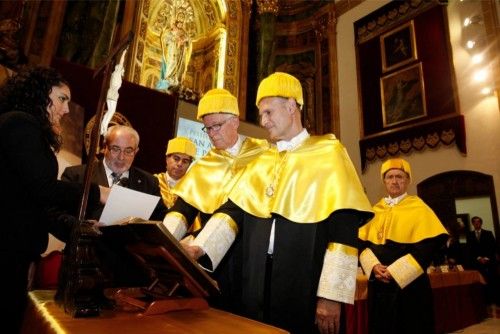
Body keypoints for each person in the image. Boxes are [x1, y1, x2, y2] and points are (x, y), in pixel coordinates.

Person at [186, 72, 374, 333]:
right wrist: (199, 248)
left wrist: (331, 295)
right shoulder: (261, 161)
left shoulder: (329, 154)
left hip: (304, 281)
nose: (263, 121)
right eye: (261, 114)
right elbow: (233, 212)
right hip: (257, 280)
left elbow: (343, 232)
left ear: (291, 106)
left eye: (268, 113)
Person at [0, 66, 108, 333]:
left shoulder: (25, 127)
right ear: (39, 93)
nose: (67, 109)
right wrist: (97, 192)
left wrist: (80, 227)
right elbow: (45, 189)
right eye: (62, 98)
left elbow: (38, 205)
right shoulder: (19, 124)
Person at [163, 88, 269, 313]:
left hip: (254, 252)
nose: (210, 134)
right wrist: (165, 241)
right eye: (207, 128)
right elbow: (184, 209)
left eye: (216, 126)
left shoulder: (264, 154)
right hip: (213, 259)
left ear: (235, 121)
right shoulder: (203, 165)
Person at [358, 158, 448, 334]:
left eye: (399, 176)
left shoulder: (419, 208)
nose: (394, 181)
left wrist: (395, 271)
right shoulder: (374, 210)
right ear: (384, 181)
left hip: (409, 286)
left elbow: (427, 247)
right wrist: (373, 267)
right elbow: (362, 245)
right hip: (379, 286)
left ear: (407, 180)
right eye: (390, 176)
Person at [61, 124, 167, 221]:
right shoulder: (77, 175)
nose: (121, 157)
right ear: (105, 148)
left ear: (136, 151)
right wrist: (85, 229)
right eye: (115, 149)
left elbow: (160, 218)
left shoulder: (149, 182)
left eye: (128, 151)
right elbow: (59, 215)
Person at [154, 136, 196, 209]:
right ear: (167, 159)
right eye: (176, 159)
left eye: (185, 161)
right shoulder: (153, 181)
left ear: (189, 165)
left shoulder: (192, 189)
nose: (180, 164)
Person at [466, 216, 498, 304]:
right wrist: (479, 258)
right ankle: (483, 301)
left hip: (489, 262)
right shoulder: (470, 235)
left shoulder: (488, 233)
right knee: (480, 282)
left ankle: (493, 300)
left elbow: (493, 247)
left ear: (481, 223)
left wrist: (487, 258)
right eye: (475, 222)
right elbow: (469, 249)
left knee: (491, 281)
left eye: (478, 222)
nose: (477, 224)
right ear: (472, 224)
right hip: (477, 263)